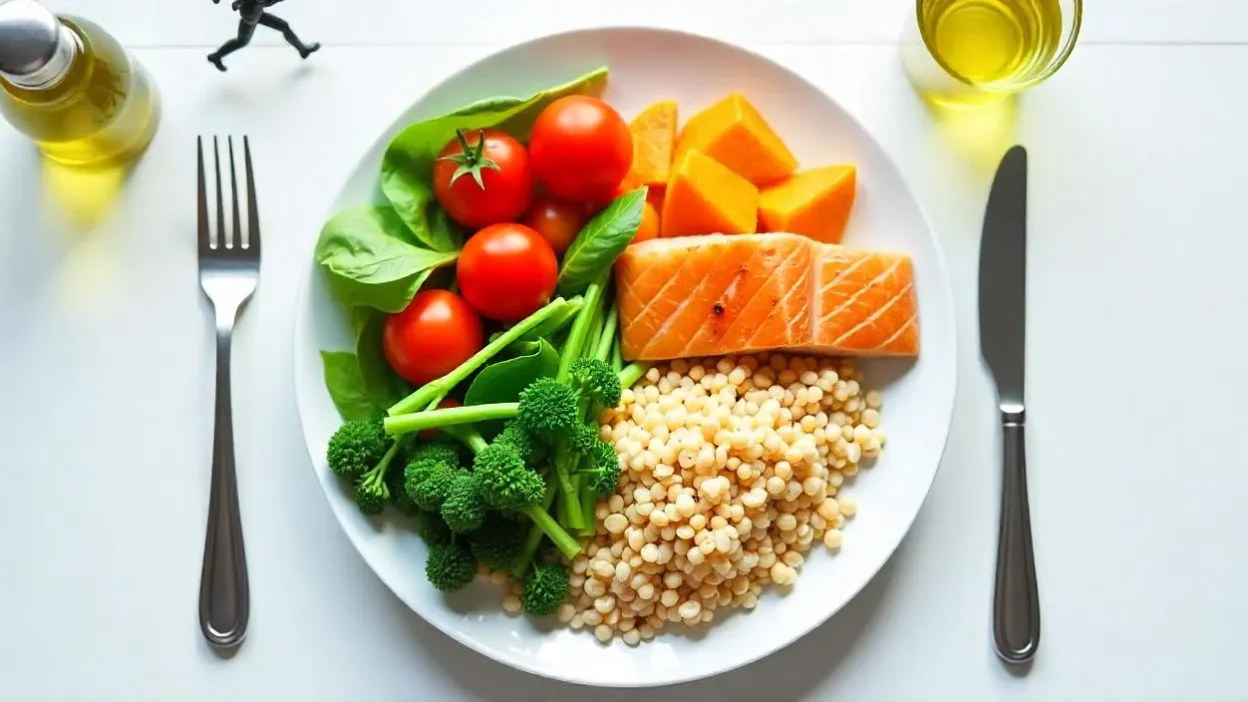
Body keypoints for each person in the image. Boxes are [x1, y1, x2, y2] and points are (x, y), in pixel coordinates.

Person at [207, 0, 320, 72]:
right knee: (242, 41)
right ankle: (216, 56)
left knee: (284, 26)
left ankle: (303, 50)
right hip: (251, 14)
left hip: (255, 11)